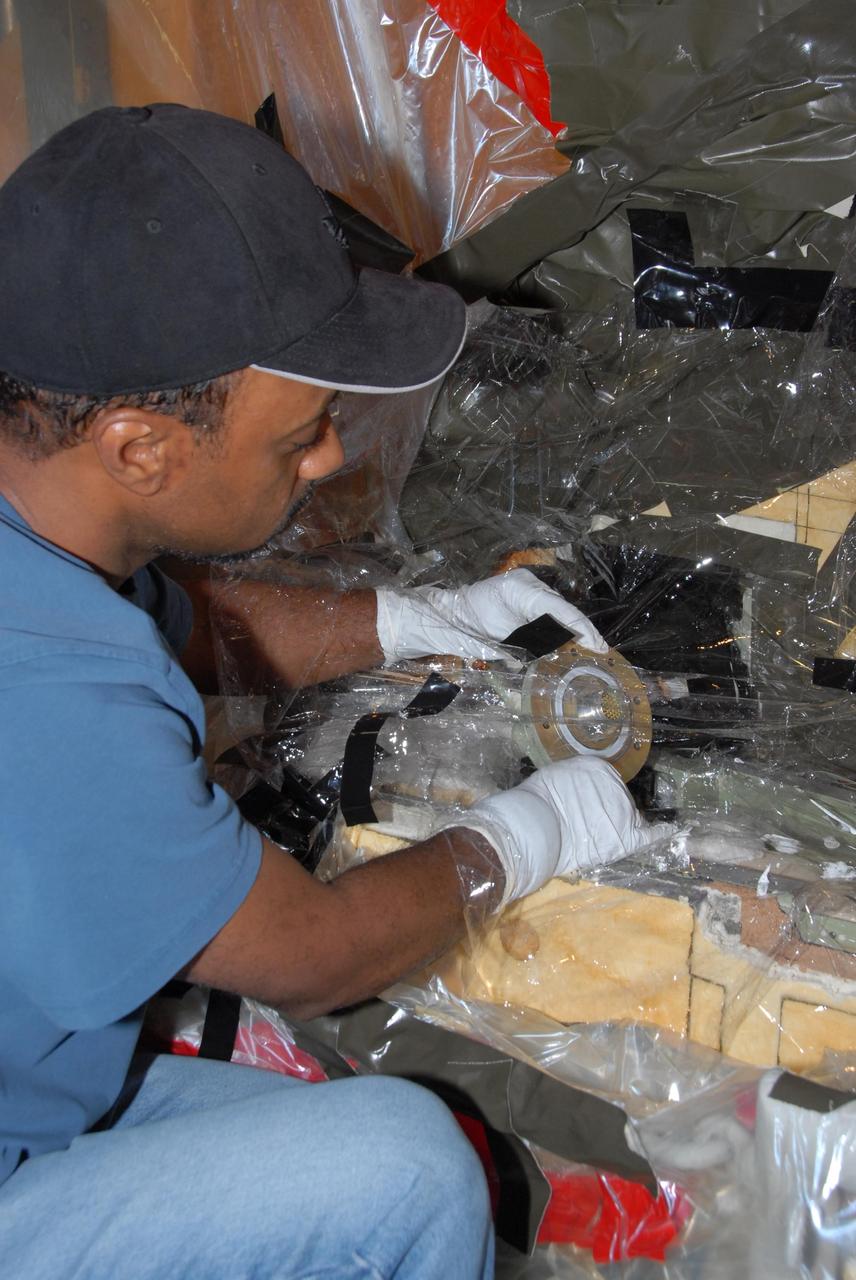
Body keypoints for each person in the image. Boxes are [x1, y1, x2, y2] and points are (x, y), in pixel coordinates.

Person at [0, 105, 664, 1279]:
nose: (328, 459)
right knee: (402, 1170)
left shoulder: (45, 524)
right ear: (139, 446)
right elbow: (312, 954)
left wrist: (412, 619)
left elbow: (173, 628)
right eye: (300, 436)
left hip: (30, 1092)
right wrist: (522, 833)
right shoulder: (45, 695)